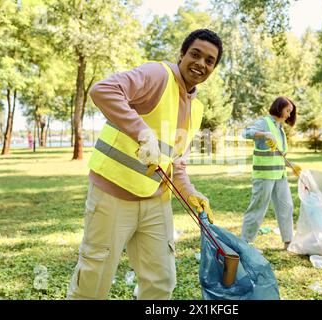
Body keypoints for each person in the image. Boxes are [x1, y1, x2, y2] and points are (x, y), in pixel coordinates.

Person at [67, 29, 223, 300]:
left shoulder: (196, 109)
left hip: (156, 201)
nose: (201, 64)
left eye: (209, 61)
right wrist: (142, 132)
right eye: (195, 54)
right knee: (94, 278)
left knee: (161, 281)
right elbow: (102, 90)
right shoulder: (158, 75)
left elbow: (177, 163)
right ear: (182, 54)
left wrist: (190, 193)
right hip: (112, 195)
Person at [240, 97, 301, 250]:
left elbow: (278, 154)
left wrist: (291, 165)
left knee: (286, 207)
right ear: (279, 108)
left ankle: (288, 242)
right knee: (258, 208)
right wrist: (265, 134)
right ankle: (246, 244)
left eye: (290, 112)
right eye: (287, 110)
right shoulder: (264, 122)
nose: (288, 115)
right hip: (264, 176)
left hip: (280, 175)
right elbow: (245, 133)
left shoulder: (280, 128)